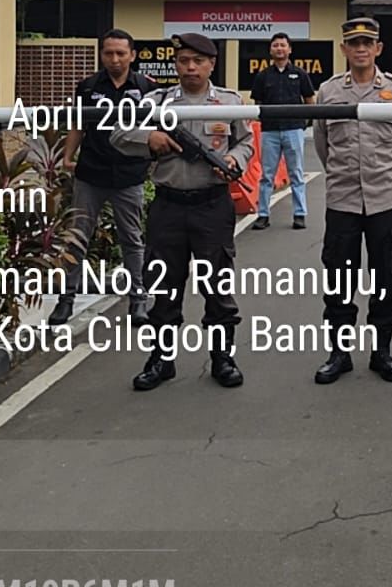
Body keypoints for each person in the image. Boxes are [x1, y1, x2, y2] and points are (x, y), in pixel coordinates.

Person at [114, 33, 255, 392]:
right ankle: (161, 360)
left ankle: (222, 358)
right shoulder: (155, 101)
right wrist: (148, 139)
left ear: (211, 64)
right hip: (169, 206)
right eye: (183, 61)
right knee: (164, 289)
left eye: (198, 61)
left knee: (217, 287)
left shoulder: (228, 102)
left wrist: (232, 159)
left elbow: (246, 141)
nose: (190, 67)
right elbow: (117, 133)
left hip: (212, 205)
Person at [310, 18, 392, 384]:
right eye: (353, 43)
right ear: (344, 49)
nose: (361, 49)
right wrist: (344, 176)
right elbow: (322, 144)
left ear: (378, 48)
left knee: (388, 278)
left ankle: (382, 350)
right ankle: (339, 353)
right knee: (339, 281)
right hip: (343, 200)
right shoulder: (328, 91)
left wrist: (388, 180)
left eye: (367, 42)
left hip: (386, 198)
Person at [49, 29, 160, 327]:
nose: (115, 59)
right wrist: (68, 157)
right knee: (76, 239)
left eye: (121, 53)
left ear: (132, 55)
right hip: (91, 173)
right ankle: (66, 300)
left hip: (129, 175)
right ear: (101, 55)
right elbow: (78, 124)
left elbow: (157, 129)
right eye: (109, 53)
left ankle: (138, 300)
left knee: (132, 240)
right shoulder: (88, 87)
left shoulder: (147, 88)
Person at [249, 32, 315, 231]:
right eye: (275, 45)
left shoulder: (300, 74)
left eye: (283, 45)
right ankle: (263, 215)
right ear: (270, 50)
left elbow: (309, 100)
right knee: (267, 175)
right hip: (270, 131)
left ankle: (299, 214)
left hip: (294, 129)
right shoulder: (263, 76)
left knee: (296, 173)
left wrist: (304, 123)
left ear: (290, 49)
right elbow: (258, 103)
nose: (279, 48)